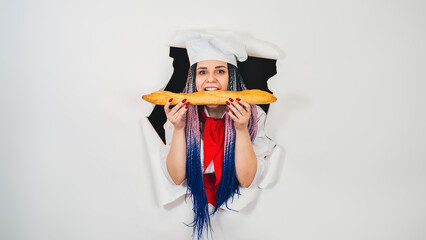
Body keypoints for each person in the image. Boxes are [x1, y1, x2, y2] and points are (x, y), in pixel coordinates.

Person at [160, 31, 276, 239]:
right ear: (193, 79)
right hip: (184, 215)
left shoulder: (253, 115)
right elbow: (177, 178)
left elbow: (248, 179)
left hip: (242, 219)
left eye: (220, 71)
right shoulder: (180, 115)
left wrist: (241, 129)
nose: (210, 80)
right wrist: (178, 128)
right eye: (202, 72)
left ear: (231, 77)